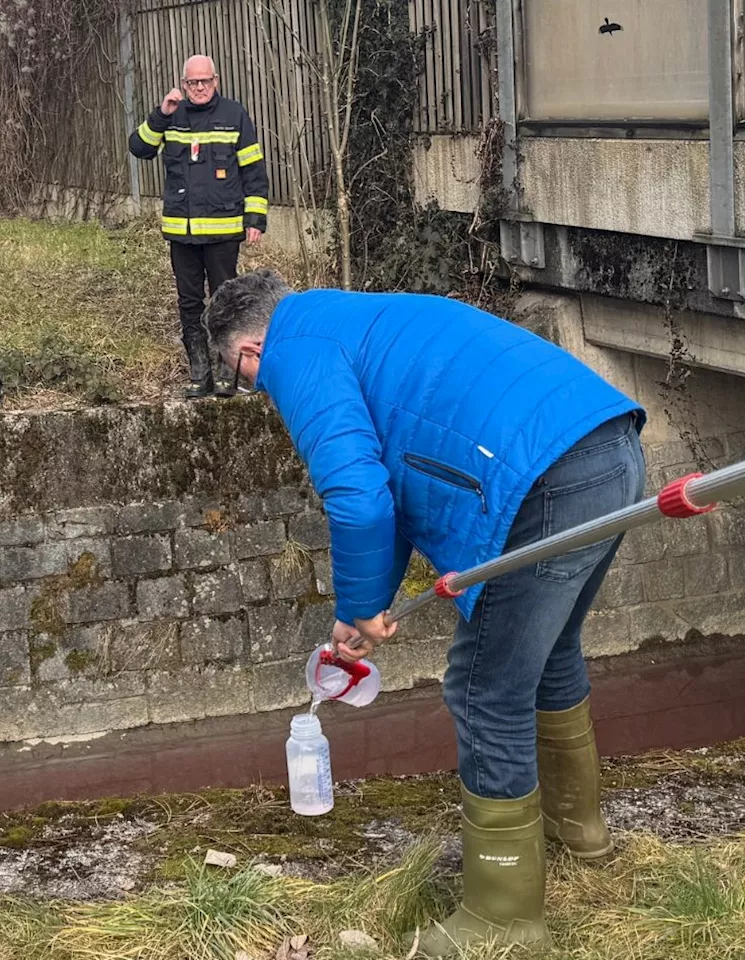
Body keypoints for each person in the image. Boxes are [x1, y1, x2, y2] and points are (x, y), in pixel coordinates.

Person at [202, 269, 647, 956]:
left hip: (544, 478)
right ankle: (575, 833)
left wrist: (355, 605)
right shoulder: (357, 320)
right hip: (607, 445)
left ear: (249, 352)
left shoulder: (295, 354)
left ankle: (504, 918)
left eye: (245, 377)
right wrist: (366, 609)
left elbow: (358, 497)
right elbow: (397, 477)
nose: (259, 390)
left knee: (482, 687)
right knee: (551, 650)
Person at [128, 55, 269, 399]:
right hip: (183, 233)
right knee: (189, 302)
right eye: (193, 82)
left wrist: (255, 218)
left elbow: (253, 170)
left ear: (216, 81)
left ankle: (227, 374)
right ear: (184, 83)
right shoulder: (171, 115)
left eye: (205, 81)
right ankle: (199, 374)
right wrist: (160, 114)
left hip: (223, 231)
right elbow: (139, 147)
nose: (200, 88)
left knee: (227, 301)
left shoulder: (234, 115)